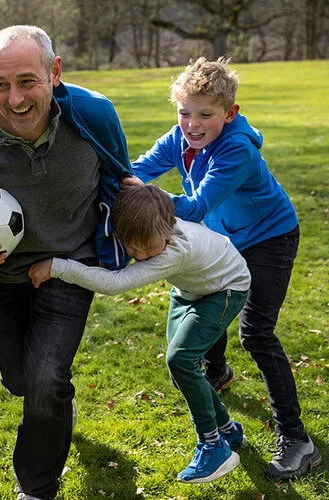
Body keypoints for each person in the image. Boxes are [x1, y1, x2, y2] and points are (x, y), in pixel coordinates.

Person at [0, 26, 134, 500]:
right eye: (0, 83)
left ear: (55, 72)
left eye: (27, 81)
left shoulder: (94, 115)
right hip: (5, 272)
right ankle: (58, 404)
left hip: (69, 264)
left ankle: (35, 487)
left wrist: (142, 220)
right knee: (21, 380)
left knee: (45, 379)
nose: (13, 98)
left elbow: (121, 177)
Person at [124, 57, 321, 480]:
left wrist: (146, 199)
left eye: (205, 115)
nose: (192, 124)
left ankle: (297, 439)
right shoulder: (179, 138)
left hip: (270, 238)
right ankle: (216, 371)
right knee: (206, 299)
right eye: (184, 112)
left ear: (229, 113)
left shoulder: (236, 149)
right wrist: (114, 187)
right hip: (225, 239)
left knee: (257, 333)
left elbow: (196, 206)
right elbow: (135, 172)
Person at [29, 184, 251, 483]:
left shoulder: (175, 250)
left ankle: (213, 446)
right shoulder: (155, 220)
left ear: (168, 228)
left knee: (181, 360)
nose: (141, 254)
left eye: (148, 246)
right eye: (133, 247)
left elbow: (115, 284)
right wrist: (140, 186)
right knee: (180, 370)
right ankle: (228, 429)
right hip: (190, 289)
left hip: (226, 287)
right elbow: (144, 199)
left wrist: (58, 267)